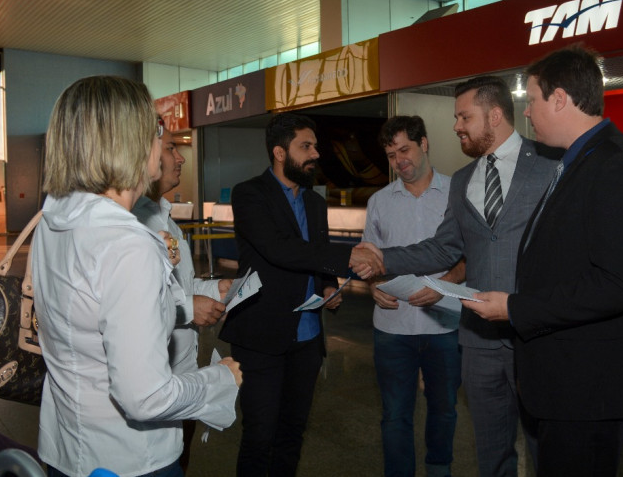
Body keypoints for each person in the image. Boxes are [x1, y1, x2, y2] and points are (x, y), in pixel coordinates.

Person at [461, 46, 623, 477]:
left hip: (589, 389)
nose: (527, 114)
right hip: (572, 383)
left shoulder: (616, 165)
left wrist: (514, 308)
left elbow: (617, 283)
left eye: (532, 101)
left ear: (560, 98)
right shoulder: (581, 160)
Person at [32, 76, 242, 477]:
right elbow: (145, 397)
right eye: (155, 131)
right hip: (128, 459)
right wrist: (218, 380)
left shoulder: (55, 218)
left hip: (68, 446)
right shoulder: (127, 242)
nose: (165, 147)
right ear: (127, 140)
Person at [360, 76, 561, 477]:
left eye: (463, 116)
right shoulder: (467, 181)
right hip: (479, 337)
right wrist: (381, 260)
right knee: (491, 443)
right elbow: (443, 247)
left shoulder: (550, 164)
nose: (455, 126)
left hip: (534, 331)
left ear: (495, 114)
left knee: (546, 441)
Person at [219, 112, 382, 476]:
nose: (316, 154)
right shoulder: (250, 194)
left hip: (307, 338)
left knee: (293, 432)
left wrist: (327, 287)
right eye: (305, 146)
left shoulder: (314, 203)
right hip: (261, 336)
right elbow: (279, 248)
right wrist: (348, 258)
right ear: (280, 152)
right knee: (260, 435)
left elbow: (316, 258)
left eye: (315, 146)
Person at [363, 115, 465, 477]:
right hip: (392, 327)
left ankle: (439, 470)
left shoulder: (457, 192)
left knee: (444, 409)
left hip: (445, 325)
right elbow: (369, 259)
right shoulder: (379, 202)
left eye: (404, 149)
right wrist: (374, 287)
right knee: (394, 415)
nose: (398, 160)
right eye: (391, 154)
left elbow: (470, 256)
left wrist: (444, 284)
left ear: (424, 144)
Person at [132, 121, 233, 472]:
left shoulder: (164, 217)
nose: (180, 158)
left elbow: (175, 285)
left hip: (180, 376)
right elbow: (127, 306)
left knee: (179, 456)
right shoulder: (130, 223)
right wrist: (188, 308)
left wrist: (213, 289)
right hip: (157, 389)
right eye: (171, 149)